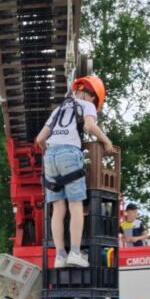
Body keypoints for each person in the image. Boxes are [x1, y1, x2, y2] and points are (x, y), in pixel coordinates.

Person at [35, 75, 114, 268]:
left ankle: (60, 256)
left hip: (50, 155)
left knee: (58, 209)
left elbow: (39, 140)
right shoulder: (86, 105)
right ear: (92, 96)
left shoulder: (59, 109)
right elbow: (89, 125)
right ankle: (76, 253)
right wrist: (106, 141)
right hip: (69, 153)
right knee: (75, 205)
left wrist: (52, 151)